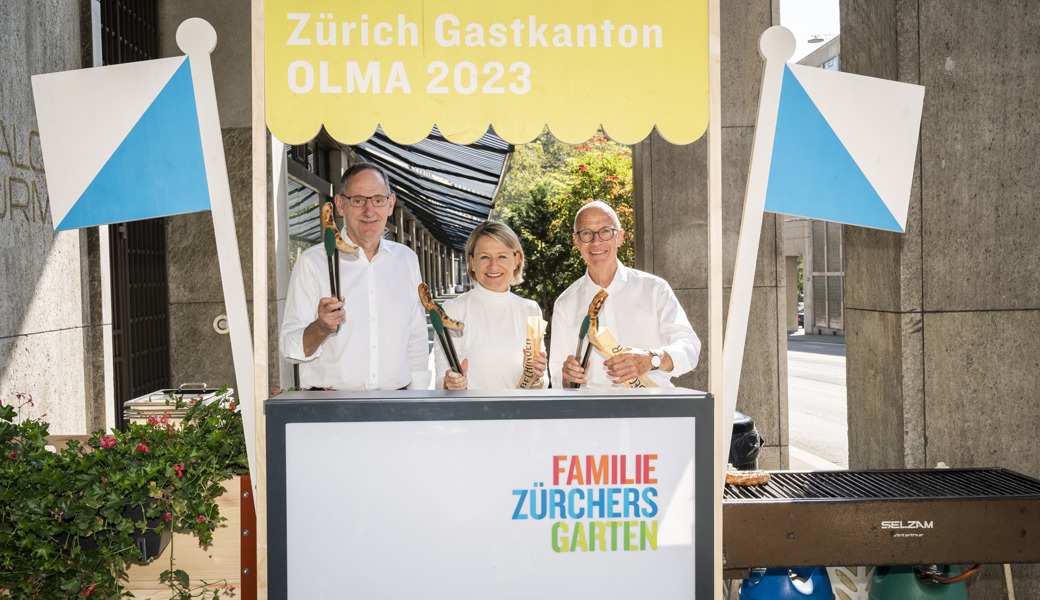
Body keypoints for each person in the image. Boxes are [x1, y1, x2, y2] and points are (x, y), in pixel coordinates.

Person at [280, 163, 431, 390]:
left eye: (378, 200)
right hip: (330, 408)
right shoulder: (313, 262)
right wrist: (321, 327)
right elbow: (289, 349)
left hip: (395, 405)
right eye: (358, 200)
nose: (369, 211)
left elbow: (417, 336)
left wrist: (419, 401)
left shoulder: (406, 259)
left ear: (390, 204)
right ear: (341, 205)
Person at [549, 201, 700, 388]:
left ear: (620, 237)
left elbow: (690, 348)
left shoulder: (654, 289)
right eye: (586, 233)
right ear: (577, 242)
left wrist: (652, 359)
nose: (596, 241)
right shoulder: (565, 303)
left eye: (605, 231)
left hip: (654, 411)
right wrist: (567, 378)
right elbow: (557, 378)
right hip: (593, 413)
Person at [436, 221, 549, 390]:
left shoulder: (530, 310)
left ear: (516, 259)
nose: (493, 266)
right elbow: (440, 381)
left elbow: (541, 383)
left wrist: (534, 377)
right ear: (472, 262)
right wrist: (451, 383)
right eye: (484, 257)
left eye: (502, 256)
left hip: (519, 414)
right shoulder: (453, 310)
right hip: (473, 414)